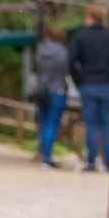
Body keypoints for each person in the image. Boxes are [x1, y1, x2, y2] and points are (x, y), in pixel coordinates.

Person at [69, 6, 109, 173]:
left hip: (88, 84)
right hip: (107, 84)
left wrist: (79, 80)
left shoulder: (81, 37)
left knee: (91, 124)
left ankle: (91, 161)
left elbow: (71, 62)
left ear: (89, 18)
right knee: (108, 124)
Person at [33, 26, 71, 169]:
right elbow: (67, 70)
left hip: (41, 90)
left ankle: (43, 154)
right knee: (52, 124)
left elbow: (36, 69)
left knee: (43, 124)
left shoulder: (40, 51)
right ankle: (47, 158)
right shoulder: (62, 52)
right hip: (57, 90)